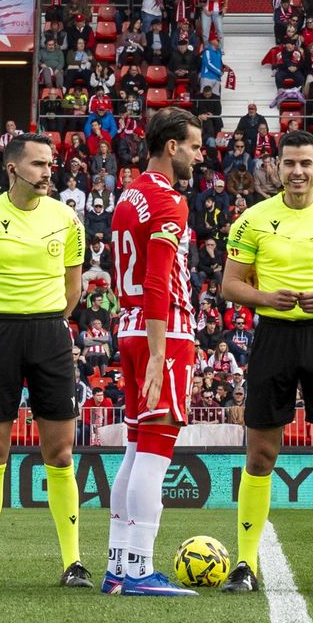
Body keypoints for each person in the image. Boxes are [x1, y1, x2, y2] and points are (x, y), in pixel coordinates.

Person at [219, 130, 313, 593]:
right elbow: (231, 285)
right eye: (289, 163)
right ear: (277, 167)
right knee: (261, 454)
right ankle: (245, 565)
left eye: (305, 163)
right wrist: (267, 296)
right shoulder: (252, 219)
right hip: (273, 339)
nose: (298, 172)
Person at [0, 132, 89, 590]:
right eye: (37, 164)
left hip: (51, 334)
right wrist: (1, 326)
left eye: (50, 163)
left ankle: (72, 562)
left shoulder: (68, 219)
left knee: (61, 453)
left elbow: (73, 289)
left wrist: (47, 324)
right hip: (0, 335)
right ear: (13, 168)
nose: (48, 171)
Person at [102, 107, 205, 597]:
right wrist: (163, 351)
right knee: (157, 451)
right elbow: (159, 278)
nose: (198, 155)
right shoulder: (168, 201)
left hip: (129, 325)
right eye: (194, 146)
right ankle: (140, 570)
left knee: (134, 445)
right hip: (162, 330)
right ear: (171, 146)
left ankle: (118, 564)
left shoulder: (129, 194)